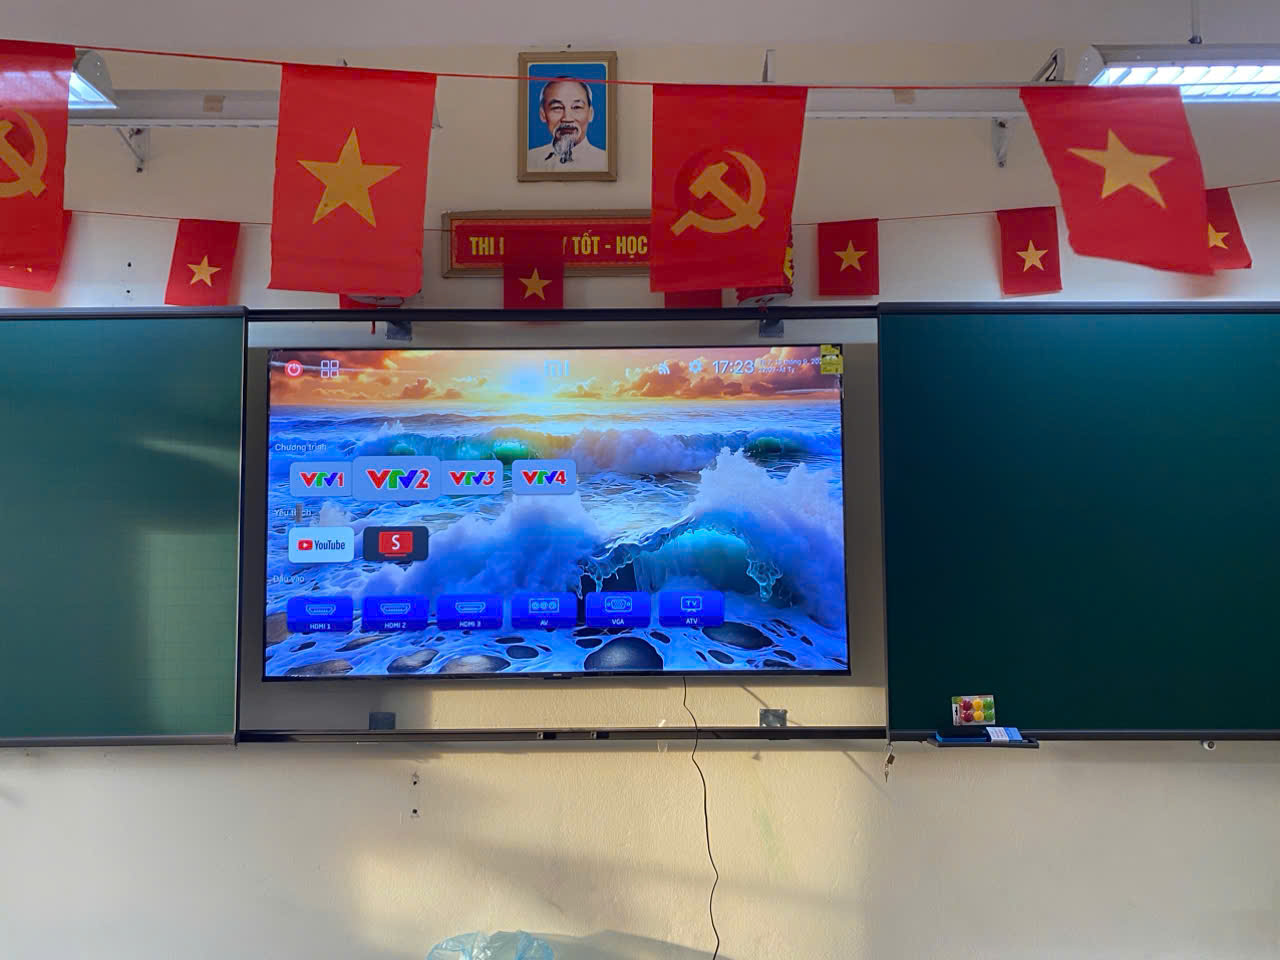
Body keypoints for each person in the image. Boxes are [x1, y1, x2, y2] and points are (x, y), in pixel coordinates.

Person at [526, 77, 607, 172]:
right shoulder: (530, 160)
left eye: (577, 107)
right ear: (543, 114)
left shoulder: (604, 161)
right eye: (557, 108)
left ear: (590, 114)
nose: (567, 118)